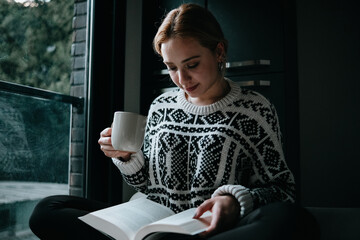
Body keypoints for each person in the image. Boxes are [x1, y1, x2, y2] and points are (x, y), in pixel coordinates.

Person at [30, 3, 302, 240]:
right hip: (154, 222)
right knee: (47, 210)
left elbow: (281, 189)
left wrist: (233, 200)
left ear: (219, 52)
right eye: (172, 67)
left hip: (210, 228)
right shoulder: (161, 106)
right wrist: (127, 157)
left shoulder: (254, 108)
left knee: (289, 219)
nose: (182, 80)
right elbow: (147, 184)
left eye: (192, 64)